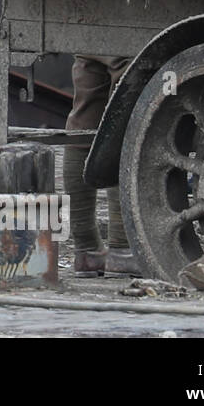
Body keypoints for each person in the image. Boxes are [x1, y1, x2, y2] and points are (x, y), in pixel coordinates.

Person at [65, 55, 140, 275]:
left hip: (88, 25)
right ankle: (122, 248)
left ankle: (86, 251)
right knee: (124, 123)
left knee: (84, 122)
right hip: (131, 31)